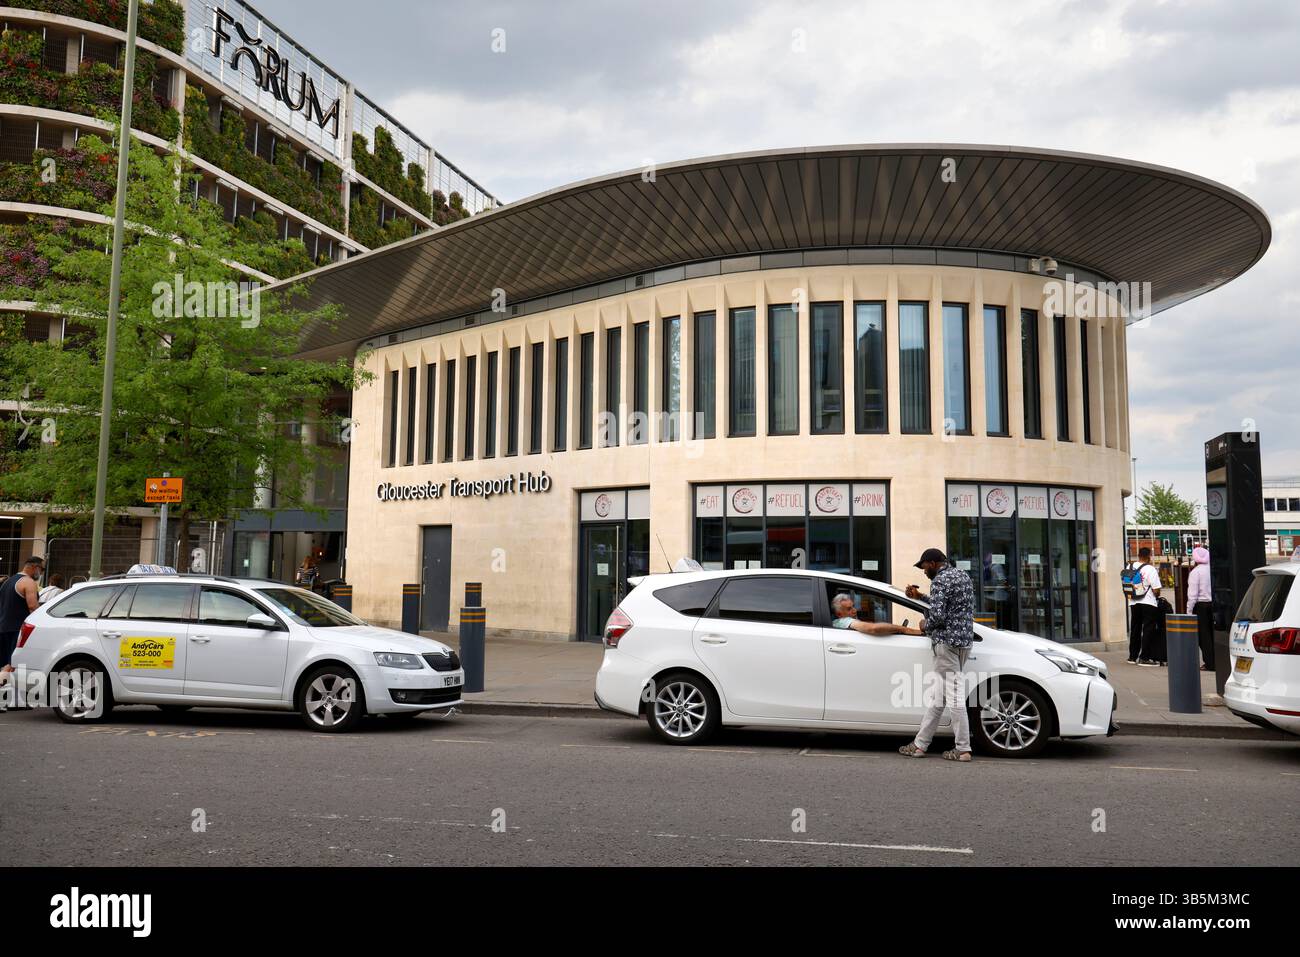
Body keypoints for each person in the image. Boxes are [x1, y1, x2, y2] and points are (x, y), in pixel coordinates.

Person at [900, 547, 976, 762]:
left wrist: (925, 626)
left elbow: (939, 616)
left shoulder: (940, 581)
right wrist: (921, 596)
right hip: (963, 643)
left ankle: (962, 748)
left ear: (932, 563)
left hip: (946, 645)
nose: (923, 572)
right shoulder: (963, 576)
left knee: (954, 697)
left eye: (924, 567)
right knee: (939, 698)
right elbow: (952, 607)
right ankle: (920, 745)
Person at [0, 556, 44, 702]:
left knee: (6, 663)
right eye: (41, 569)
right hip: (17, 629)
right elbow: (32, 607)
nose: (41, 572)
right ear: (34, 567)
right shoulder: (29, 582)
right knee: (11, 664)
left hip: (4, 626)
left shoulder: (8, 582)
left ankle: (13, 699)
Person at [1128, 547, 1163, 666]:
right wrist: (1157, 594)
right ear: (1148, 556)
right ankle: (1144, 657)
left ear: (1138, 555)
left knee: (1135, 629)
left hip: (1133, 602)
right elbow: (1156, 589)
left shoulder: (1129, 567)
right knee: (1148, 629)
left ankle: (1132, 657)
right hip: (1148, 602)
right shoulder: (1150, 569)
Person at [830, 593, 925, 637]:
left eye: (853, 606)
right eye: (849, 609)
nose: (854, 610)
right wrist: (903, 629)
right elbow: (873, 628)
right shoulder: (843, 621)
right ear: (839, 614)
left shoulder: (842, 622)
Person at [1186, 546, 1214, 672]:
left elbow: (1192, 595)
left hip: (1201, 606)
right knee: (1213, 634)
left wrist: (1189, 611)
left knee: (1204, 637)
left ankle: (1209, 663)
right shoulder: (1212, 570)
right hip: (1213, 605)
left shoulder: (1195, 572)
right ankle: (1217, 660)